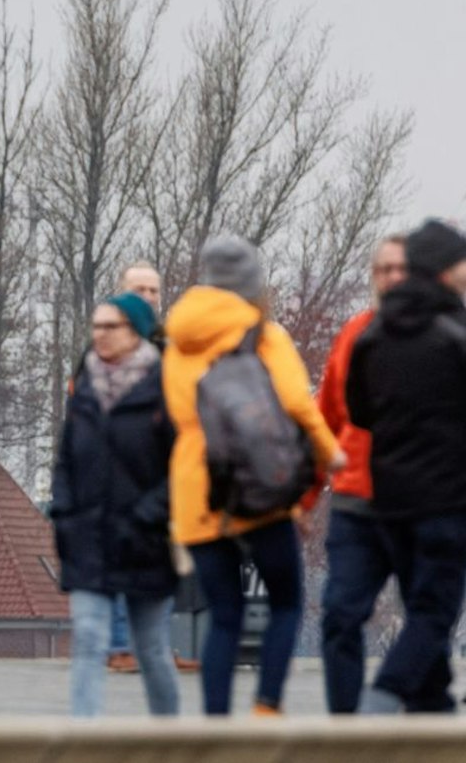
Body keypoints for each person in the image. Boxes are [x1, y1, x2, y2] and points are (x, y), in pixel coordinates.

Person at [164, 235, 342, 716]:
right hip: (258, 486)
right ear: (251, 283)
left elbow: (171, 415)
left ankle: (218, 727)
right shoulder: (264, 334)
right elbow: (297, 406)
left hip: (196, 492)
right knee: (286, 602)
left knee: (224, 615)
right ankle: (266, 709)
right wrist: (332, 454)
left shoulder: (177, 340)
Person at [347, 219, 466, 714]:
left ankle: (433, 713)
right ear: (444, 269)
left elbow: (359, 411)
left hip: (391, 501)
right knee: (434, 612)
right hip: (447, 499)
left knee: (420, 604)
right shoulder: (454, 334)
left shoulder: (374, 334)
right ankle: (382, 699)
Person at [51, 293, 180, 717]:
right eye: (97, 326)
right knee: (88, 638)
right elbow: (67, 458)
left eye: (111, 326)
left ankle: (171, 742)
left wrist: (148, 516)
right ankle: (83, 747)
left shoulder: (167, 387)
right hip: (89, 536)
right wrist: (64, 512)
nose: (100, 335)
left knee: (151, 650)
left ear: (136, 332)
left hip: (146, 541)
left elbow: (182, 467)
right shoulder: (84, 387)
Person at [316, 235, 409, 713]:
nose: (392, 278)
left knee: (428, 620)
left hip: (418, 503)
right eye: (383, 269)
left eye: (401, 269)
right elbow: (325, 417)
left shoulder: (440, 336)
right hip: (357, 501)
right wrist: (303, 494)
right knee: (340, 615)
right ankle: (347, 730)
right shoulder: (353, 334)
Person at [110, 261, 166, 674]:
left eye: (153, 291)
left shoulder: (169, 348)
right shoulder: (105, 343)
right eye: (139, 290)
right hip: (115, 472)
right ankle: (118, 646)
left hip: (160, 476)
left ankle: (151, 647)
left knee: (157, 562)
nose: (148, 298)